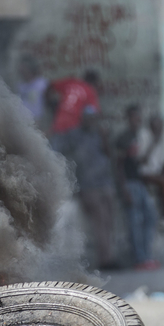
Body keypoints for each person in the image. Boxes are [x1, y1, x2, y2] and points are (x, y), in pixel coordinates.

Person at [54, 105, 118, 268]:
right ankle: (106, 260)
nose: (91, 121)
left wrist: (104, 138)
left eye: (93, 118)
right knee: (100, 220)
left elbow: (109, 154)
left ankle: (110, 256)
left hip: (105, 183)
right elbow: (57, 148)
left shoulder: (100, 135)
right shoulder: (74, 135)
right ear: (83, 119)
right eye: (88, 118)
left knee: (109, 222)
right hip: (89, 185)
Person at [115, 104, 159, 270]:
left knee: (150, 218)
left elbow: (143, 161)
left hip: (141, 183)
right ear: (128, 118)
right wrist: (124, 188)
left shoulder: (142, 137)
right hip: (130, 184)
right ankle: (139, 259)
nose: (137, 120)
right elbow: (118, 165)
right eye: (134, 117)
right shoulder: (123, 138)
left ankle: (147, 256)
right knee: (134, 221)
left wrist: (154, 141)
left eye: (139, 117)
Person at [45, 69, 101, 136]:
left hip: (59, 123)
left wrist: (49, 103)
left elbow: (50, 86)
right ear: (94, 82)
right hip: (74, 126)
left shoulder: (71, 82)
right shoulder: (90, 91)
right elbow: (94, 112)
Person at [16, 55, 48, 123]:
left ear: (29, 69)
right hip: (22, 122)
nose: (20, 70)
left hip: (38, 122)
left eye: (23, 67)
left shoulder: (42, 84)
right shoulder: (20, 85)